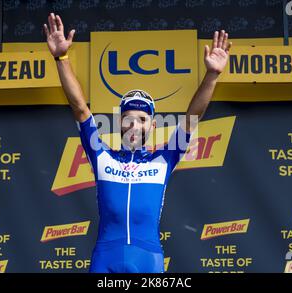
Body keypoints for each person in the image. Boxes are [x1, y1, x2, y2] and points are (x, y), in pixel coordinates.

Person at [44, 12, 231, 273]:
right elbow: (80, 109)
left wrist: (212, 74)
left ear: (152, 125)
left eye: (142, 119)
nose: (134, 125)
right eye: (128, 119)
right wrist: (61, 58)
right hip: (105, 257)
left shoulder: (165, 157)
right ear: (119, 123)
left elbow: (192, 118)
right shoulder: (102, 156)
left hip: (148, 258)